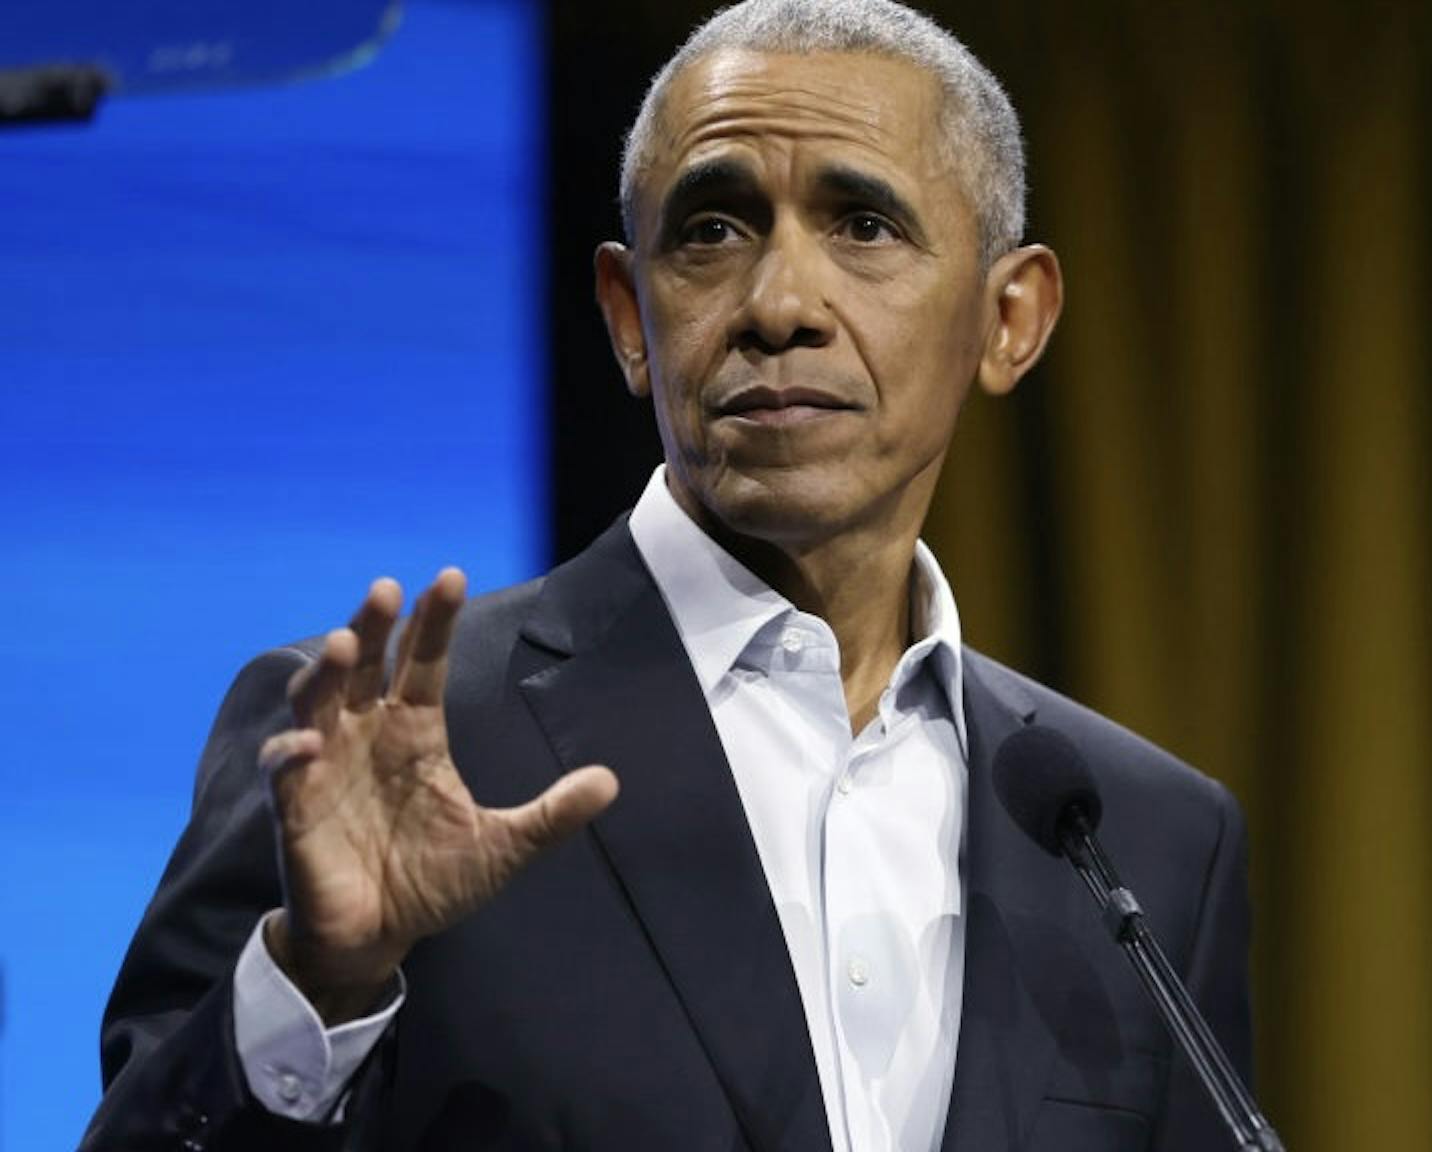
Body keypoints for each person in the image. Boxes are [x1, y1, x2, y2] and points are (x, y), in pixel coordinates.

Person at [82, 1, 1253, 1149]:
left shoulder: (1141, 838)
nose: (780, 306)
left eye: (862, 226)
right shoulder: (402, 750)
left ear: (1009, 318)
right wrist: (316, 988)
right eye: (711, 231)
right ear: (629, 317)